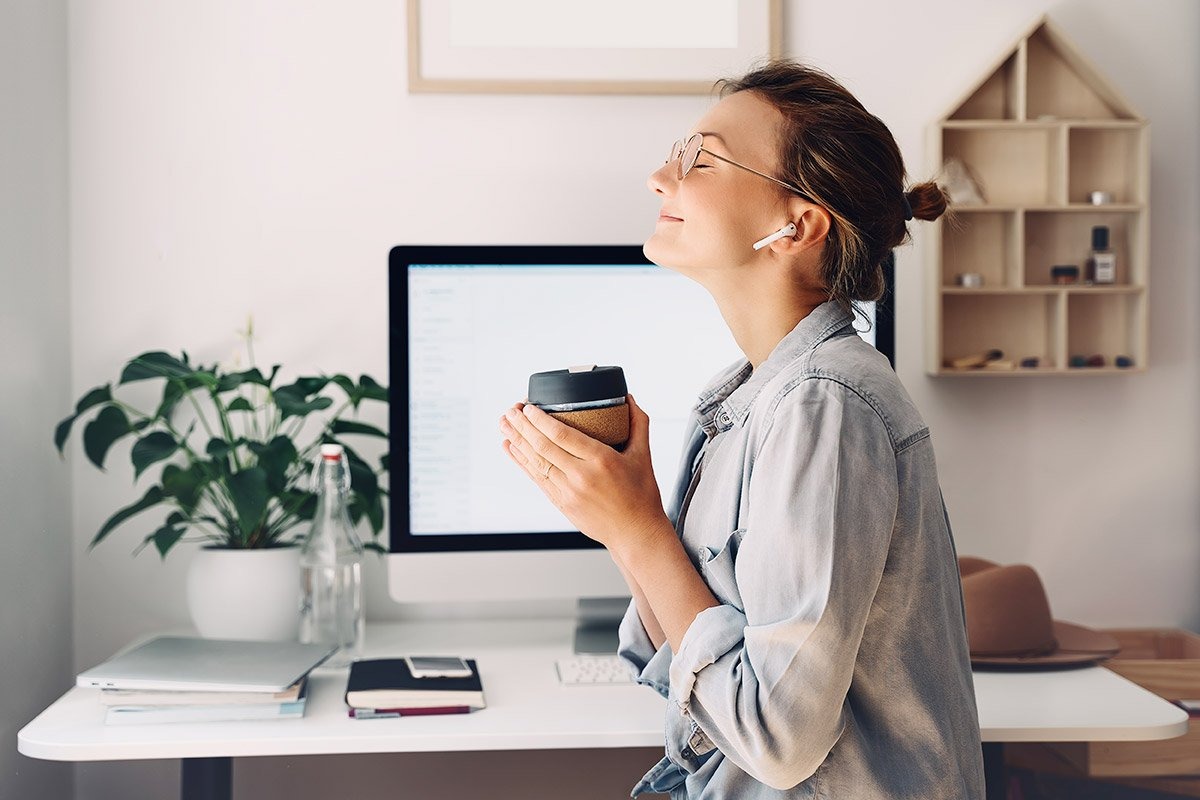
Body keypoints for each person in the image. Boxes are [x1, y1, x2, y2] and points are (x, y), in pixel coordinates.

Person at [498, 60, 984, 799]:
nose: (659, 178)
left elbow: (778, 739)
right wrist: (619, 518)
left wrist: (638, 532)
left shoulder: (826, 405)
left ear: (799, 225)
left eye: (701, 160)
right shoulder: (749, 399)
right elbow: (692, 666)